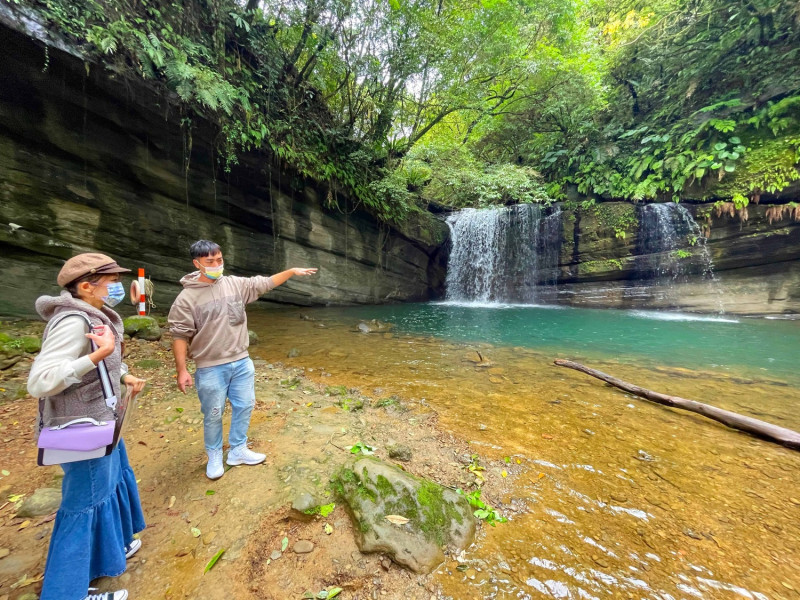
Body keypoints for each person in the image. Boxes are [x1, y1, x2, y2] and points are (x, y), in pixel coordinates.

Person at [27, 253, 147, 600]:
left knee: (111, 481)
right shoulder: (72, 322)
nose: (118, 288)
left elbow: (97, 361)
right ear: (85, 286)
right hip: (81, 430)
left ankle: (107, 551)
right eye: (112, 282)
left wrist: (122, 373)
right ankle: (67, 593)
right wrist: (96, 356)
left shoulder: (94, 316)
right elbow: (40, 381)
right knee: (83, 506)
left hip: (101, 421)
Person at [168, 240, 317, 480]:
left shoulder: (235, 284)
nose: (217, 265)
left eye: (220, 260)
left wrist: (290, 272)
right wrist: (182, 370)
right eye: (210, 262)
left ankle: (237, 449)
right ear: (197, 264)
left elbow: (264, 283)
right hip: (210, 367)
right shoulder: (186, 299)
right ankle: (215, 454)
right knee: (214, 413)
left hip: (241, 361)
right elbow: (179, 335)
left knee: (245, 405)